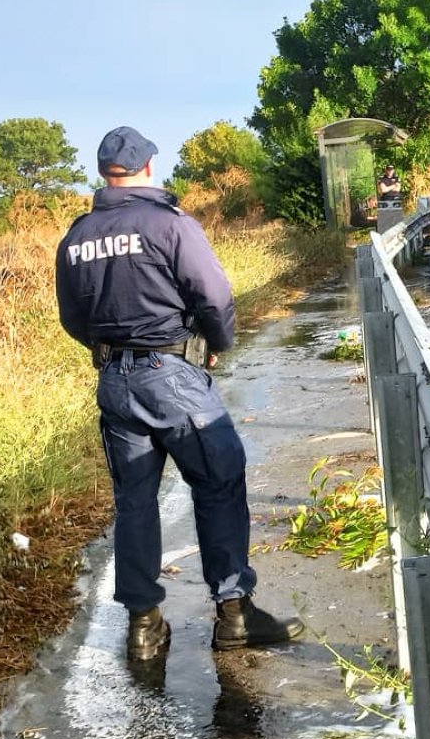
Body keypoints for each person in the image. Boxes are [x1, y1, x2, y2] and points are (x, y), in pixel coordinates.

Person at [54, 126, 301, 660]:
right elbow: (212, 293)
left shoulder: (76, 237)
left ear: (104, 173)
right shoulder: (170, 225)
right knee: (219, 477)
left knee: (134, 501)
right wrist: (216, 343)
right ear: (146, 168)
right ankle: (235, 613)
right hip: (174, 373)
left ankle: (144, 627)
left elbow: (72, 318)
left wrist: (111, 349)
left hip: (115, 382)